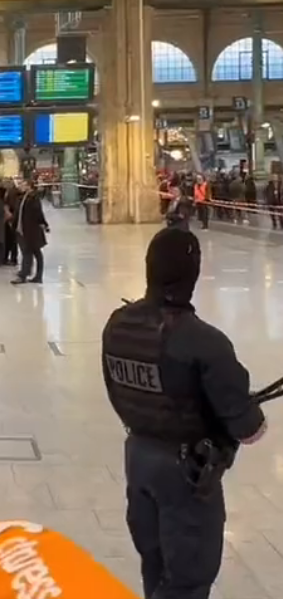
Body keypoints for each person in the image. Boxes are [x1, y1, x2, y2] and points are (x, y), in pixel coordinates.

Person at [102, 228, 266, 599]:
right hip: (185, 474)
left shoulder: (118, 324)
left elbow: (115, 392)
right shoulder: (205, 341)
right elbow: (248, 428)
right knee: (188, 580)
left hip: (138, 459)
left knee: (155, 564)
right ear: (193, 274)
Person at [12, 179, 48, 285]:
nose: (20, 186)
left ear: (29, 186)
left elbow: (38, 213)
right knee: (31, 252)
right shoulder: (22, 197)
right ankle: (30, 274)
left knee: (32, 252)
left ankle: (26, 275)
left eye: (23, 184)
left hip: (31, 230)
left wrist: (44, 224)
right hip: (22, 229)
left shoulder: (33, 198)